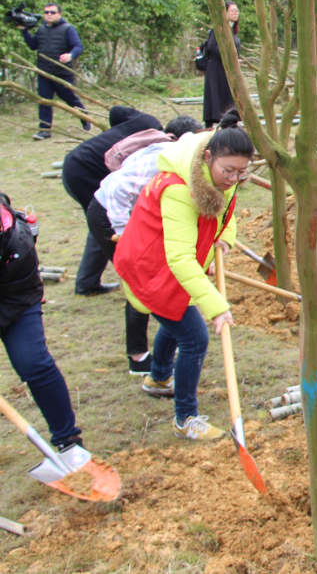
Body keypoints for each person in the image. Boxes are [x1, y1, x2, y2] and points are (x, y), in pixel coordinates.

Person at [113, 113, 253, 441]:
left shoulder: (220, 177)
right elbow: (178, 258)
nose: (233, 178)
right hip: (151, 268)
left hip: (173, 265)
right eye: (227, 170)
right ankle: (185, 418)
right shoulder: (179, 190)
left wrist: (225, 237)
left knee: (175, 319)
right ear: (208, 157)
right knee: (194, 337)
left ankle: (158, 378)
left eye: (241, 171)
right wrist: (216, 306)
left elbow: (226, 212)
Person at [88, 115, 204, 374]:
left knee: (148, 277)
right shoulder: (163, 159)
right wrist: (123, 231)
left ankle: (162, 348)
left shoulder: (178, 155)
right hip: (109, 213)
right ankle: (138, 356)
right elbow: (119, 187)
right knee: (138, 278)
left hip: (131, 213)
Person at [0, 191, 84, 451]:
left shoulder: (16, 241)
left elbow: (22, 290)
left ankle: (68, 441)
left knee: (33, 362)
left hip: (14, 294)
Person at [61, 107, 164, 296]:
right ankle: (92, 282)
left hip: (74, 162)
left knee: (103, 221)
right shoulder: (160, 142)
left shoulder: (146, 121)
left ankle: (89, 281)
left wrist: (114, 134)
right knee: (103, 220)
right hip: (85, 171)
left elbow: (116, 111)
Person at [20, 1, 86, 140]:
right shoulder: (42, 29)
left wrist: (70, 55)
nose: (49, 15)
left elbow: (78, 46)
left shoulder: (68, 29)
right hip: (44, 73)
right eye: (46, 12)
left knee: (70, 100)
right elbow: (33, 46)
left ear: (59, 14)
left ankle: (85, 118)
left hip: (62, 73)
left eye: (52, 12)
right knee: (44, 101)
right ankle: (44, 130)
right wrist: (24, 30)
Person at [202, 1, 241, 128]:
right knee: (217, 96)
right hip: (217, 69)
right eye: (233, 11)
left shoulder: (231, 30)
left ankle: (229, 122)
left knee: (229, 96)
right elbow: (212, 46)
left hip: (228, 70)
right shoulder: (218, 28)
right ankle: (213, 125)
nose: (236, 13)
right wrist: (230, 59)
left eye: (237, 11)